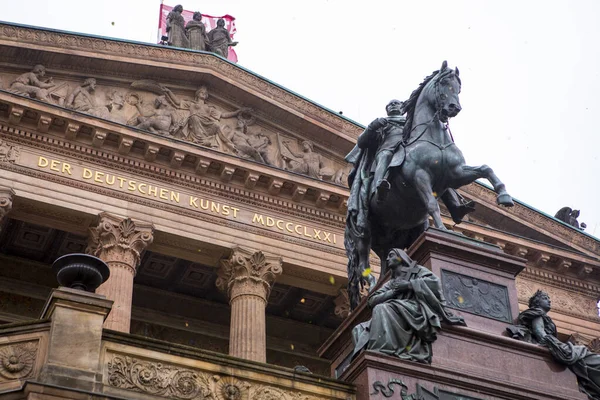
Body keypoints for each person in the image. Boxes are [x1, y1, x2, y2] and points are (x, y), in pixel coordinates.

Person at [352, 248, 465, 363]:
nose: (387, 259)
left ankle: (381, 350)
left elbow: (434, 283)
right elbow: (371, 300)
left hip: (415, 308)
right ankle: (365, 359)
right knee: (358, 329)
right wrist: (393, 292)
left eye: (391, 255)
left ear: (401, 258)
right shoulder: (391, 283)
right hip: (398, 309)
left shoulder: (416, 271)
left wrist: (409, 285)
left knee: (382, 308)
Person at [507, 290, 600, 399]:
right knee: (590, 358)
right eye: (545, 298)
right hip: (554, 345)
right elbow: (540, 332)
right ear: (537, 303)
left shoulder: (542, 316)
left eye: (549, 299)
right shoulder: (537, 313)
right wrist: (557, 347)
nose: (549, 301)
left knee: (587, 357)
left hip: (556, 345)